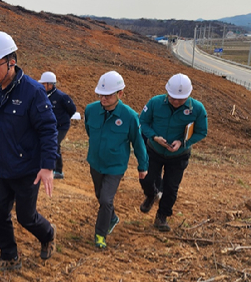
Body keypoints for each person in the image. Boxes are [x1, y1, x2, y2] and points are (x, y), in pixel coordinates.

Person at [0, 31, 58, 271]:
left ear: (12, 61)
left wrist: (47, 166)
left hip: (26, 170)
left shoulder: (33, 92)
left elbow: (48, 129)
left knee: (26, 217)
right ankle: (9, 256)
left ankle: (47, 235)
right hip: (1, 167)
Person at [84, 71, 148, 249]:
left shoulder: (129, 116)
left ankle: (100, 235)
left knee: (106, 200)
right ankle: (112, 217)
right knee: (100, 196)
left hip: (115, 166)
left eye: (108, 95)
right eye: (100, 94)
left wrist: (143, 166)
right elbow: (89, 131)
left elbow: (138, 142)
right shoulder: (91, 110)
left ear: (120, 94)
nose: (103, 99)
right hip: (95, 162)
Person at [138, 73, 208, 232]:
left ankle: (162, 216)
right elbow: (143, 122)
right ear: (167, 92)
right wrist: (154, 137)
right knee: (146, 179)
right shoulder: (155, 102)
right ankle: (151, 195)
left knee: (171, 188)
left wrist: (183, 143)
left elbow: (202, 131)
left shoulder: (197, 109)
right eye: (172, 97)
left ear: (189, 95)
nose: (176, 101)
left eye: (180, 99)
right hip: (154, 150)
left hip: (178, 156)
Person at [38, 71, 77, 179]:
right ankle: (54, 169)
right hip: (50, 127)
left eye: (43, 84)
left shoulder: (61, 97)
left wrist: (62, 119)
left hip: (61, 126)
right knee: (53, 145)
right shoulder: (42, 95)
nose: (41, 86)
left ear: (50, 84)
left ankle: (56, 170)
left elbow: (72, 109)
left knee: (54, 144)